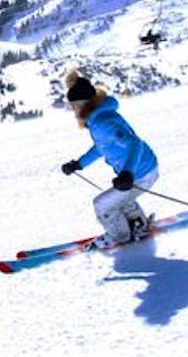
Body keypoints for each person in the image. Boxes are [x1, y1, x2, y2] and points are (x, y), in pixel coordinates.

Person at [58, 69, 159, 248]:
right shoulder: (98, 119)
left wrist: (127, 174)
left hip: (140, 173)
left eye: (74, 105)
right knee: (120, 199)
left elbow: (135, 144)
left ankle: (119, 237)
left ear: (82, 104)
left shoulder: (103, 122)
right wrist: (79, 164)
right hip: (144, 168)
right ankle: (138, 225)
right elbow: (102, 147)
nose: (73, 110)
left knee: (102, 205)